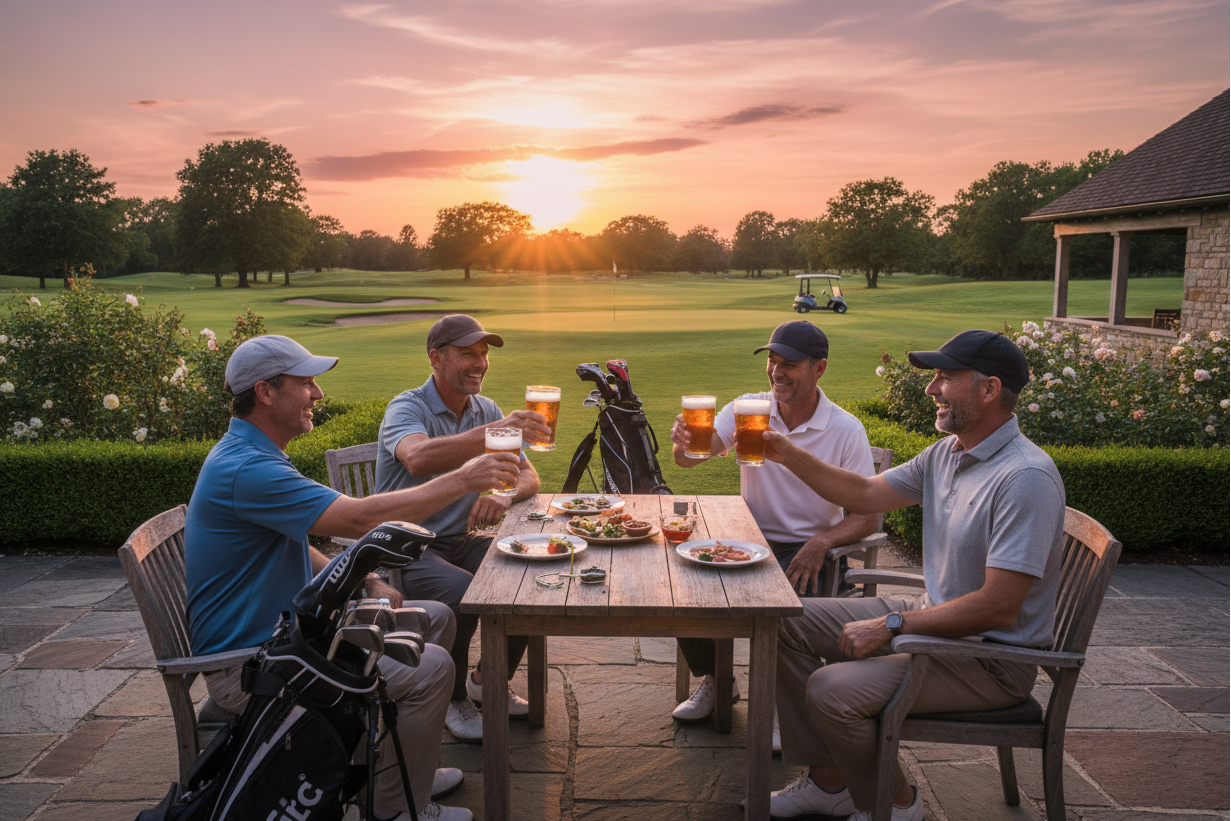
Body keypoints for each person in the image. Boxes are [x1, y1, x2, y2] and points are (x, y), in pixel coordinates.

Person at [186, 335, 521, 821]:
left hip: (289, 640)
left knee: (437, 617)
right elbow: (360, 518)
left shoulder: (252, 454)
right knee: (430, 669)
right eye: (306, 383)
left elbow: (293, 543)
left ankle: (400, 771)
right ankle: (394, 808)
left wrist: (366, 582)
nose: (318, 395)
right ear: (265, 391)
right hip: (254, 666)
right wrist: (464, 478)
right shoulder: (247, 468)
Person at [762, 329, 1065, 821]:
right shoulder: (948, 454)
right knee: (780, 617)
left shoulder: (1024, 478)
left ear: (989, 389)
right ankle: (830, 781)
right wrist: (785, 451)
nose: (931, 388)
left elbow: (998, 605)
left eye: (945, 377)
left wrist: (891, 626)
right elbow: (862, 493)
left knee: (829, 690)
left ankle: (896, 803)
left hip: (988, 659)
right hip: (935, 620)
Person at [668, 320, 878, 725]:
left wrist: (821, 543)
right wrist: (685, 440)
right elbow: (689, 459)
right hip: (747, 541)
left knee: (780, 613)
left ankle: (790, 705)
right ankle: (718, 679)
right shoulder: (750, 409)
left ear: (819, 369)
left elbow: (867, 517)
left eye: (790, 364)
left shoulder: (845, 429)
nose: (776, 372)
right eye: (773, 361)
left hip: (808, 550)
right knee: (685, 587)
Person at [374, 315, 551, 742]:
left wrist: (505, 495)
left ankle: (486, 679)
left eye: (484, 353)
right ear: (436, 358)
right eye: (468, 353)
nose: (481, 362)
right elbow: (417, 457)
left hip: (461, 540)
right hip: (407, 548)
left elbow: (530, 477)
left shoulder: (484, 409)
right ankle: (451, 699)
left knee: (533, 580)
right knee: (466, 593)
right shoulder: (408, 407)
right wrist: (495, 431)